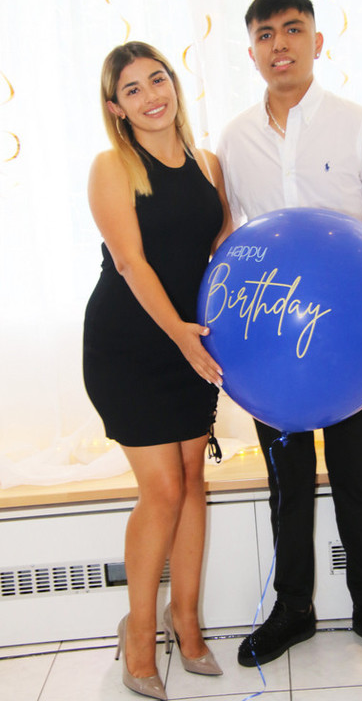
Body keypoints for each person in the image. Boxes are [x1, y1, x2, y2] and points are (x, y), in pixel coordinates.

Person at [217, 0, 362, 669]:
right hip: (270, 345)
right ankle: (293, 609)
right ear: (251, 51)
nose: (279, 44)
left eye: (292, 29)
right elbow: (232, 237)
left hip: (348, 342)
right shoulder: (234, 138)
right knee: (287, 484)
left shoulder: (358, 124)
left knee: (354, 476)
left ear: (316, 41)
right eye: (265, 34)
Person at [83, 41, 232, 700]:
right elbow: (130, 263)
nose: (151, 96)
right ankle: (138, 635)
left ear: (174, 83)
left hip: (191, 341)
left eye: (158, 79)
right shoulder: (112, 166)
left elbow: (221, 249)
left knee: (194, 480)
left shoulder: (208, 163)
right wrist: (182, 338)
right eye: (133, 89)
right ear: (116, 107)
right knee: (164, 490)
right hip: (130, 345)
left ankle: (186, 623)